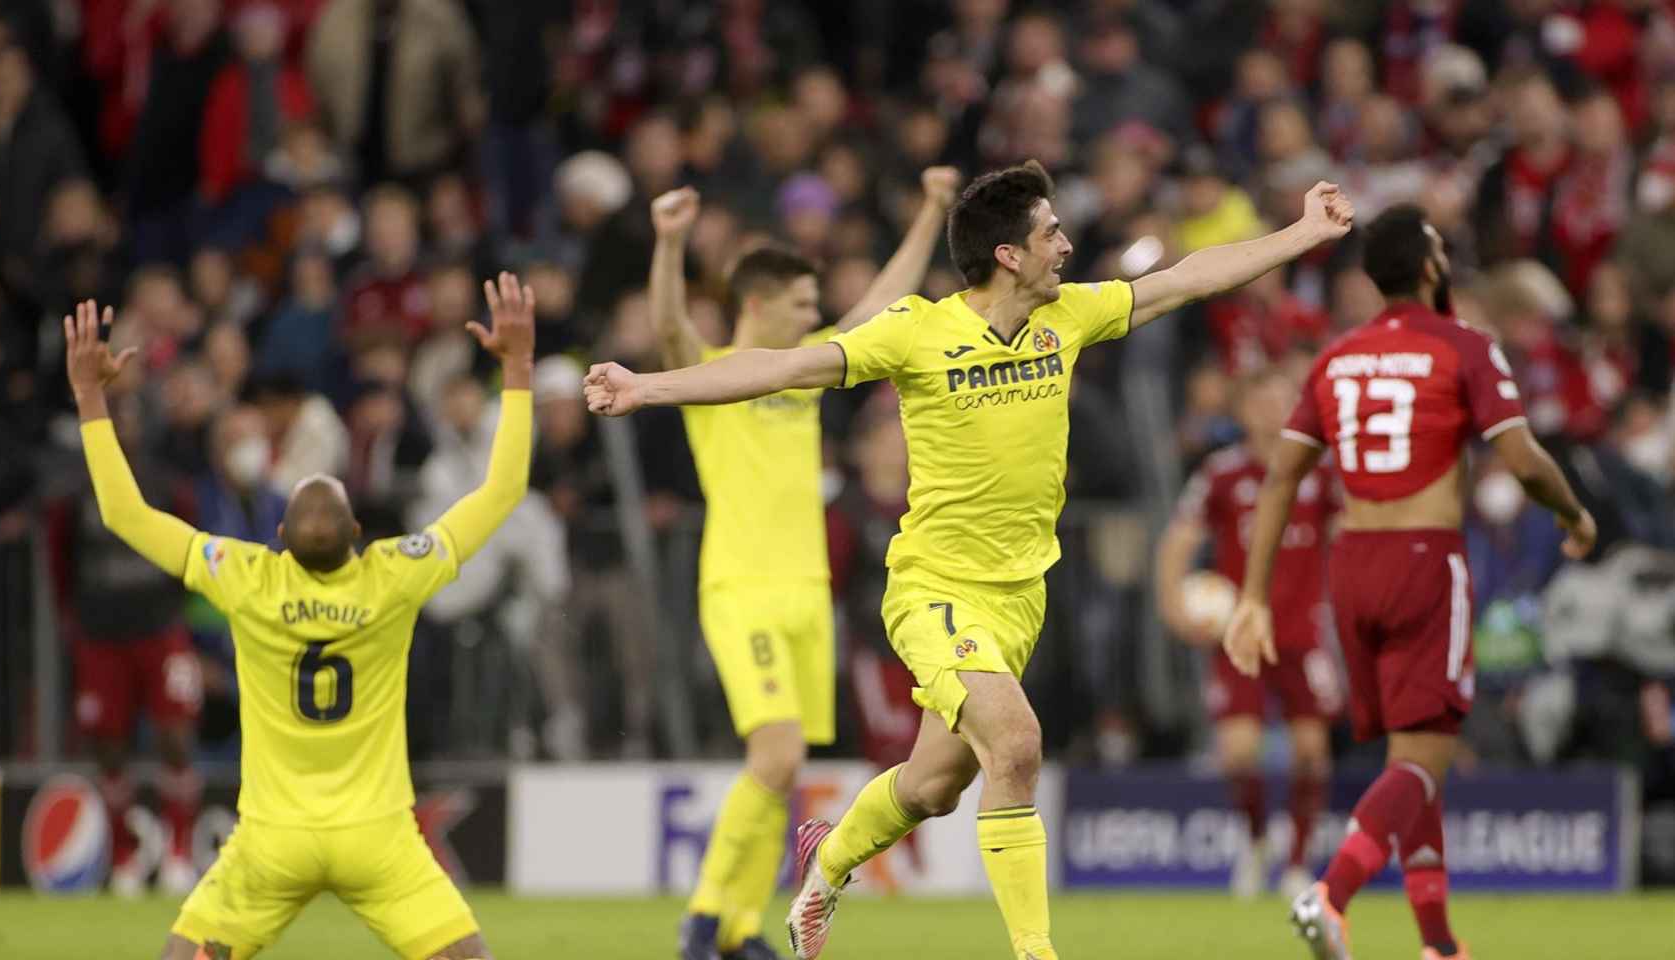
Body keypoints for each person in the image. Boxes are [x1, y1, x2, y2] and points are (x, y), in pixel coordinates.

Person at [586, 160, 1356, 960]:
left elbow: (1191, 276)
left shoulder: (1073, 317)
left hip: (1019, 597)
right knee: (1016, 745)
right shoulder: (919, 331)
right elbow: (779, 367)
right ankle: (1035, 950)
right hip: (933, 590)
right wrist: (649, 386)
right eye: (1050, 232)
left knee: (934, 786)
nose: (1066, 244)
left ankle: (830, 858)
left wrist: (1302, 232)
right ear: (1010, 256)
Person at [64, 270, 535, 960]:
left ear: (277, 536)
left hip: (272, 840)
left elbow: (123, 512)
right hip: (378, 839)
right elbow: (503, 488)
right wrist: (518, 368)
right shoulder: (394, 575)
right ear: (358, 536)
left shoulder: (245, 575)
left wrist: (88, 398)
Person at [1223, 204, 1597, 960]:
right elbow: (1522, 459)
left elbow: (1281, 479)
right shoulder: (1463, 346)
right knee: (1425, 760)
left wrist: (1253, 597)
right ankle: (1331, 893)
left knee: (1409, 759)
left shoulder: (1335, 358)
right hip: (1425, 560)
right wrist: (1575, 514)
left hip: (1351, 570)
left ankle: (1439, 943)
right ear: (1432, 268)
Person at [653, 166, 960, 960]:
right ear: (758, 304)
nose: (815, 315)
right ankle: (703, 918)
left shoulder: (801, 381)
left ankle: (744, 928)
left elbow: (881, 305)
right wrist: (670, 241)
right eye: (800, 305)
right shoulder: (714, 373)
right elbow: (668, 333)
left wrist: (929, 211)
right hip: (740, 590)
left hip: (804, 597)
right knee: (777, 755)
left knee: (783, 775)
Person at [1156, 368, 1340, 902]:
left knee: (1310, 751)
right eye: (1260, 401)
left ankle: (1300, 863)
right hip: (1238, 635)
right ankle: (1257, 842)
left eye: (1281, 399)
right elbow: (1177, 542)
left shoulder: (1321, 471)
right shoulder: (1221, 474)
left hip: (1303, 632)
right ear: (1243, 411)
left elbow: (1349, 534)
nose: (1270, 411)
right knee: (1239, 752)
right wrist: (1173, 607)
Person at [50, 395, 204, 897]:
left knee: (176, 736)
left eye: (133, 418)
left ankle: (180, 852)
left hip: (159, 631)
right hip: (101, 636)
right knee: (109, 747)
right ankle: (124, 859)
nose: (126, 429)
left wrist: (174, 612)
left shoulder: (167, 486)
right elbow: (60, 561)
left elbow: (189, 550)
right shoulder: (74, 493)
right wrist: (74, 618)